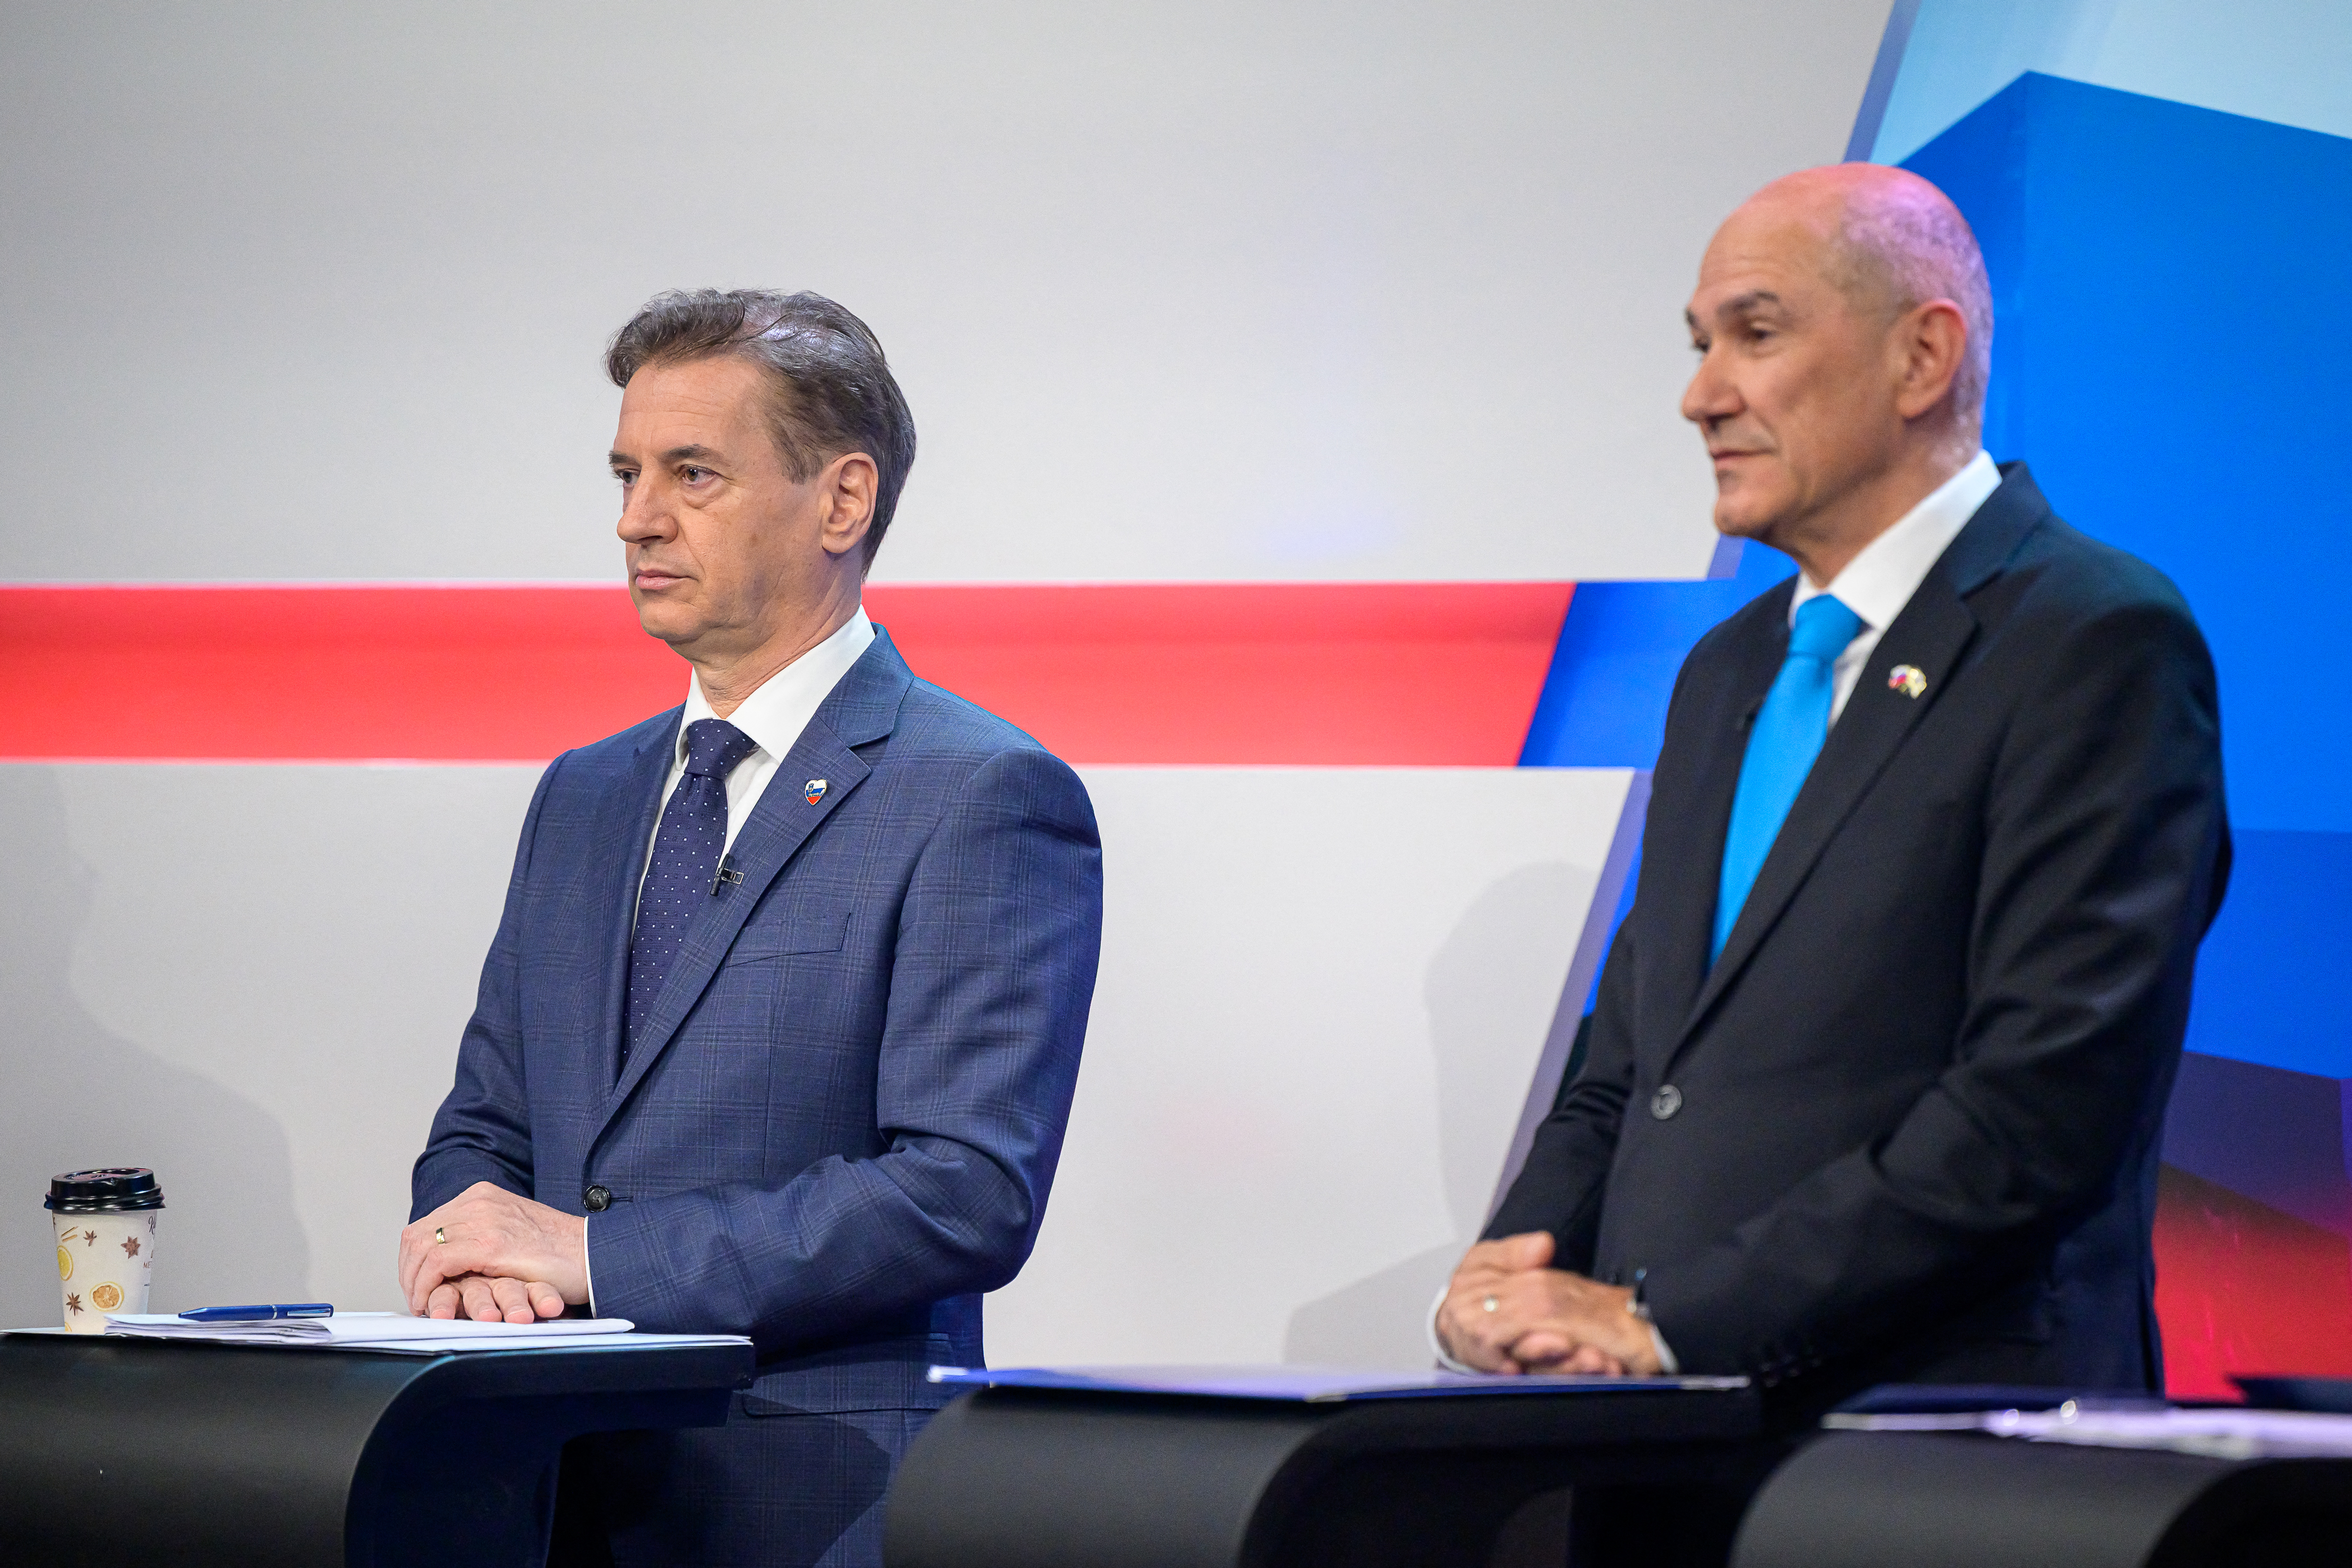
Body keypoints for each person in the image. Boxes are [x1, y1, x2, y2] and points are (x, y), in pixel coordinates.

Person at [1435, 164, 2229, 1406]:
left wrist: (1673, 1324)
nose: (1701, 396)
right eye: (1701, 345)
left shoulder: (2094, 641)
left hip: (1934, 1450)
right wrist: (1509, 1274)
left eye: (1755, 334)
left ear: (1922, 357)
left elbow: (2039, 1106)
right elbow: (1634, 1062)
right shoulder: (1727, 670)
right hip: (1654, 1439)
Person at [400, 289, 1104, 1565]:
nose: (635, 519)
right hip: (538, 1493)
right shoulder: (586, 792)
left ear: (841, 501)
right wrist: (469, 1242)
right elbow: (486, 1127)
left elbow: (963, 1191)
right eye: (625, 474)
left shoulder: (980, 793)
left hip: (804, 1502)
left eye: (693, 474)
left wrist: (593, 1257)